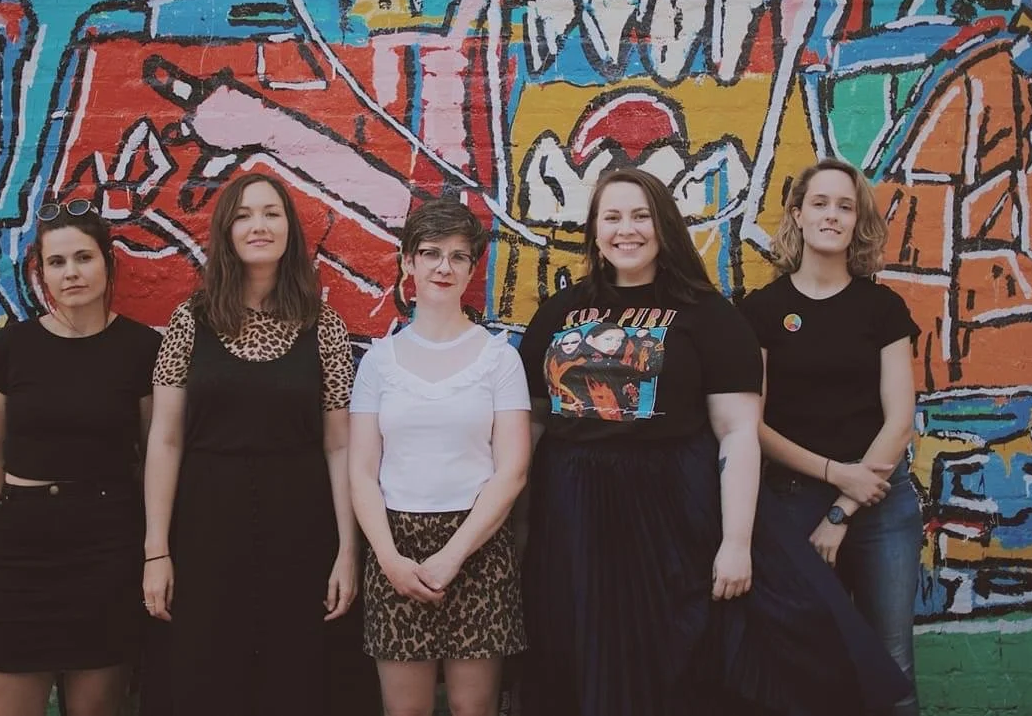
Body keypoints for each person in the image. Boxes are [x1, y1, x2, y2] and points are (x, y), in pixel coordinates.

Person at [517, 167, 911, 716]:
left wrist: (735, 543)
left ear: (663, 226)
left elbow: (738, 433)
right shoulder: (560, 312)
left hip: (672, 516)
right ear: (594, 229)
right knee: (584, 654)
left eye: (640, 216)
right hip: (575, 517)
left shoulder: (707, 314)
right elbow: (530, 421)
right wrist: (520, 519)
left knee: (678, 658)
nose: (625, 230)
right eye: (612, 217)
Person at [142, 172, 361, 715]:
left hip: (302, 536)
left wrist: (347, 550)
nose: (257, 225)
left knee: (297, 682)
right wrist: (156, 551)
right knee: (206, 680)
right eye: (242, 215)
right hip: (205, 536)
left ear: (290, 229)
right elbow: (164, 441)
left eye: (271, 213)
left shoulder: (324, 326)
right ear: (224, 232)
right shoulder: (189, 322)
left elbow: (340, 447)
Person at [739, 159, 923, 716]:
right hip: (792, 504)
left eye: (845, 206)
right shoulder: (761, 311)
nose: (832, 215)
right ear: (797, 214)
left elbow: (900, 419)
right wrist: (831, 474)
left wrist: (844, 505)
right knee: (800, 659)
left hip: (880, 505)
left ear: (857, 222)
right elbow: (753, 424)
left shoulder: (882, 308)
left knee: (891, 663)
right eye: (819, 203)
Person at [0, 198, 161, 716]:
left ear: (108, 262)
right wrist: (19, 509)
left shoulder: (140, 348)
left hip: (105, 549)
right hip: (23, 551)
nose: (71, 273)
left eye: (83, 257)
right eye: (56, 263)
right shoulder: (13, 346)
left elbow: (152, 454)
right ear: (42, 274)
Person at [348, 199, 531, 716]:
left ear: (472, 268)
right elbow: (361, 471)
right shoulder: (379, 363)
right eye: (430, 253)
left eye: (457, 256)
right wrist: (388, 560)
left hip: (477, 546)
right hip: (395, 548)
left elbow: (512, 470)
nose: (443, 267)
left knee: (474, 709)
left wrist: (454, 555)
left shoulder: (499, 358)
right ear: (408, 262)